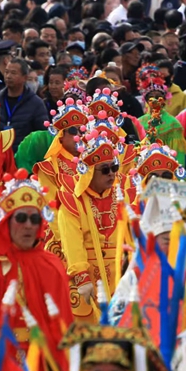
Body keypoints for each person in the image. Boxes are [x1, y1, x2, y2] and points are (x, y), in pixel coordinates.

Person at [0, 170, 73, 371]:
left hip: (44, 367)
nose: (28, 225)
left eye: (35, 219)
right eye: (21, 218)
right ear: (6, 221)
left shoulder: (52, 265)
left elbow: (63, 327)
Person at [58, 130, 129, 322]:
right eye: (104, 170)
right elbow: (72, 242)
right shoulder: (72, 201)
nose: (111, 174)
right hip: (88, 281)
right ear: (89, 172)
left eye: (114, 167)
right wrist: (82, 276)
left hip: (122, 277)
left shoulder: (123, 195)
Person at [33, 94, 87, 261]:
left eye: (82, 130)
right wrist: (68, 241)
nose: (78, 136)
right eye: (73, 131)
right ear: (61, 135)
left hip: (92, 232)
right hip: (61, 236)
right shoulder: (48, 168)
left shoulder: (92, 163)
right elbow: (52, 209)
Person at [0, 57, 49, 151]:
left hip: (23, 156)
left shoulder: (36, 104)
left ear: (25, 78)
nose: (8, 76)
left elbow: (42, 136)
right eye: (6, 72)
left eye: (13, 73)